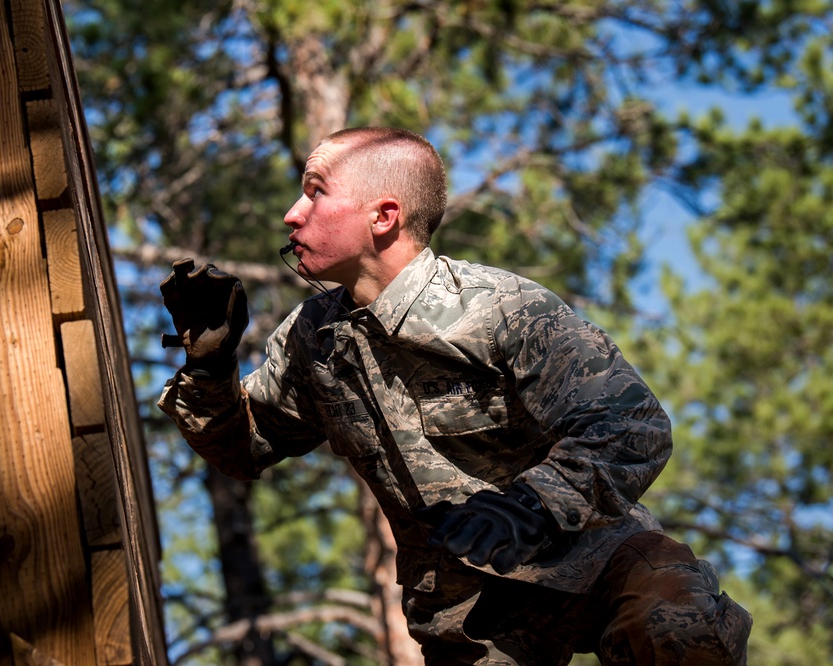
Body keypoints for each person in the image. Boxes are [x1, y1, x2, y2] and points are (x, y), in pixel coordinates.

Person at [158, 127, 752, 665]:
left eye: (315, 192)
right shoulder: (310, 341)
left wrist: (530, 508)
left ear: (383, 216)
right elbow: (240, 448)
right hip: (467, 614)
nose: (292, 215)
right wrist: (208, 367)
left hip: (598, 561)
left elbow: (633, 427)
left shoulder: (501, 308)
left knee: (680, 629)